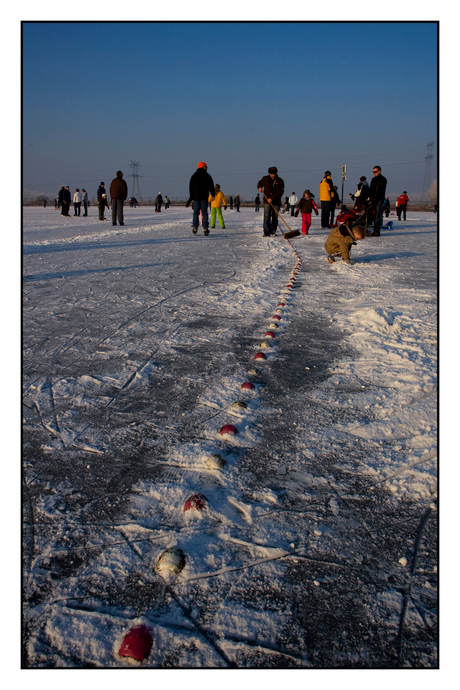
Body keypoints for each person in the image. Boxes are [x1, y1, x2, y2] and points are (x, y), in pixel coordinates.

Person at [188, 161, 215, 235]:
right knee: (204, 212)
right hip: (204, 197)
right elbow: (211, 186)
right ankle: (205, 228)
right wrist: (213, 194)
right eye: (206, 166)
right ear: (203, 167)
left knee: (195, 213)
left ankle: (195, 227)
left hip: (196, 198)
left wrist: (192, 196)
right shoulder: (207, 176)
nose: (207, 168)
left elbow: (191, 187)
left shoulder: (194, 176)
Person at [257, 166, 285, 237]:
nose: (273, 175)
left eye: (274, 174)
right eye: (272, 174)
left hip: (276, 202)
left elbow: (280, 192)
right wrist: (259, 187)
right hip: (267, 202)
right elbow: (259, 183)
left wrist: (272, 198)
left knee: (275, 217)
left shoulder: (280, 181)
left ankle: (273, 231)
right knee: (267, 217)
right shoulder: (265, 179)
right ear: (269, 173)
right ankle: (266, 232)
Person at [368, 166, 387, 236]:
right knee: (372, 214)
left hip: (379, 199)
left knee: (377, 215)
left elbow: (381, 190)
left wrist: (375, 196)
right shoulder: (373, 179)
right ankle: (374, 229)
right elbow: (371, 189)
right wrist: (369, 197)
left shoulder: (383, 179)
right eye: (373, 172)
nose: (374, 173)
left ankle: (377, 231)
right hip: (373, 199)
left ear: (379, 171)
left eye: (375, 171)